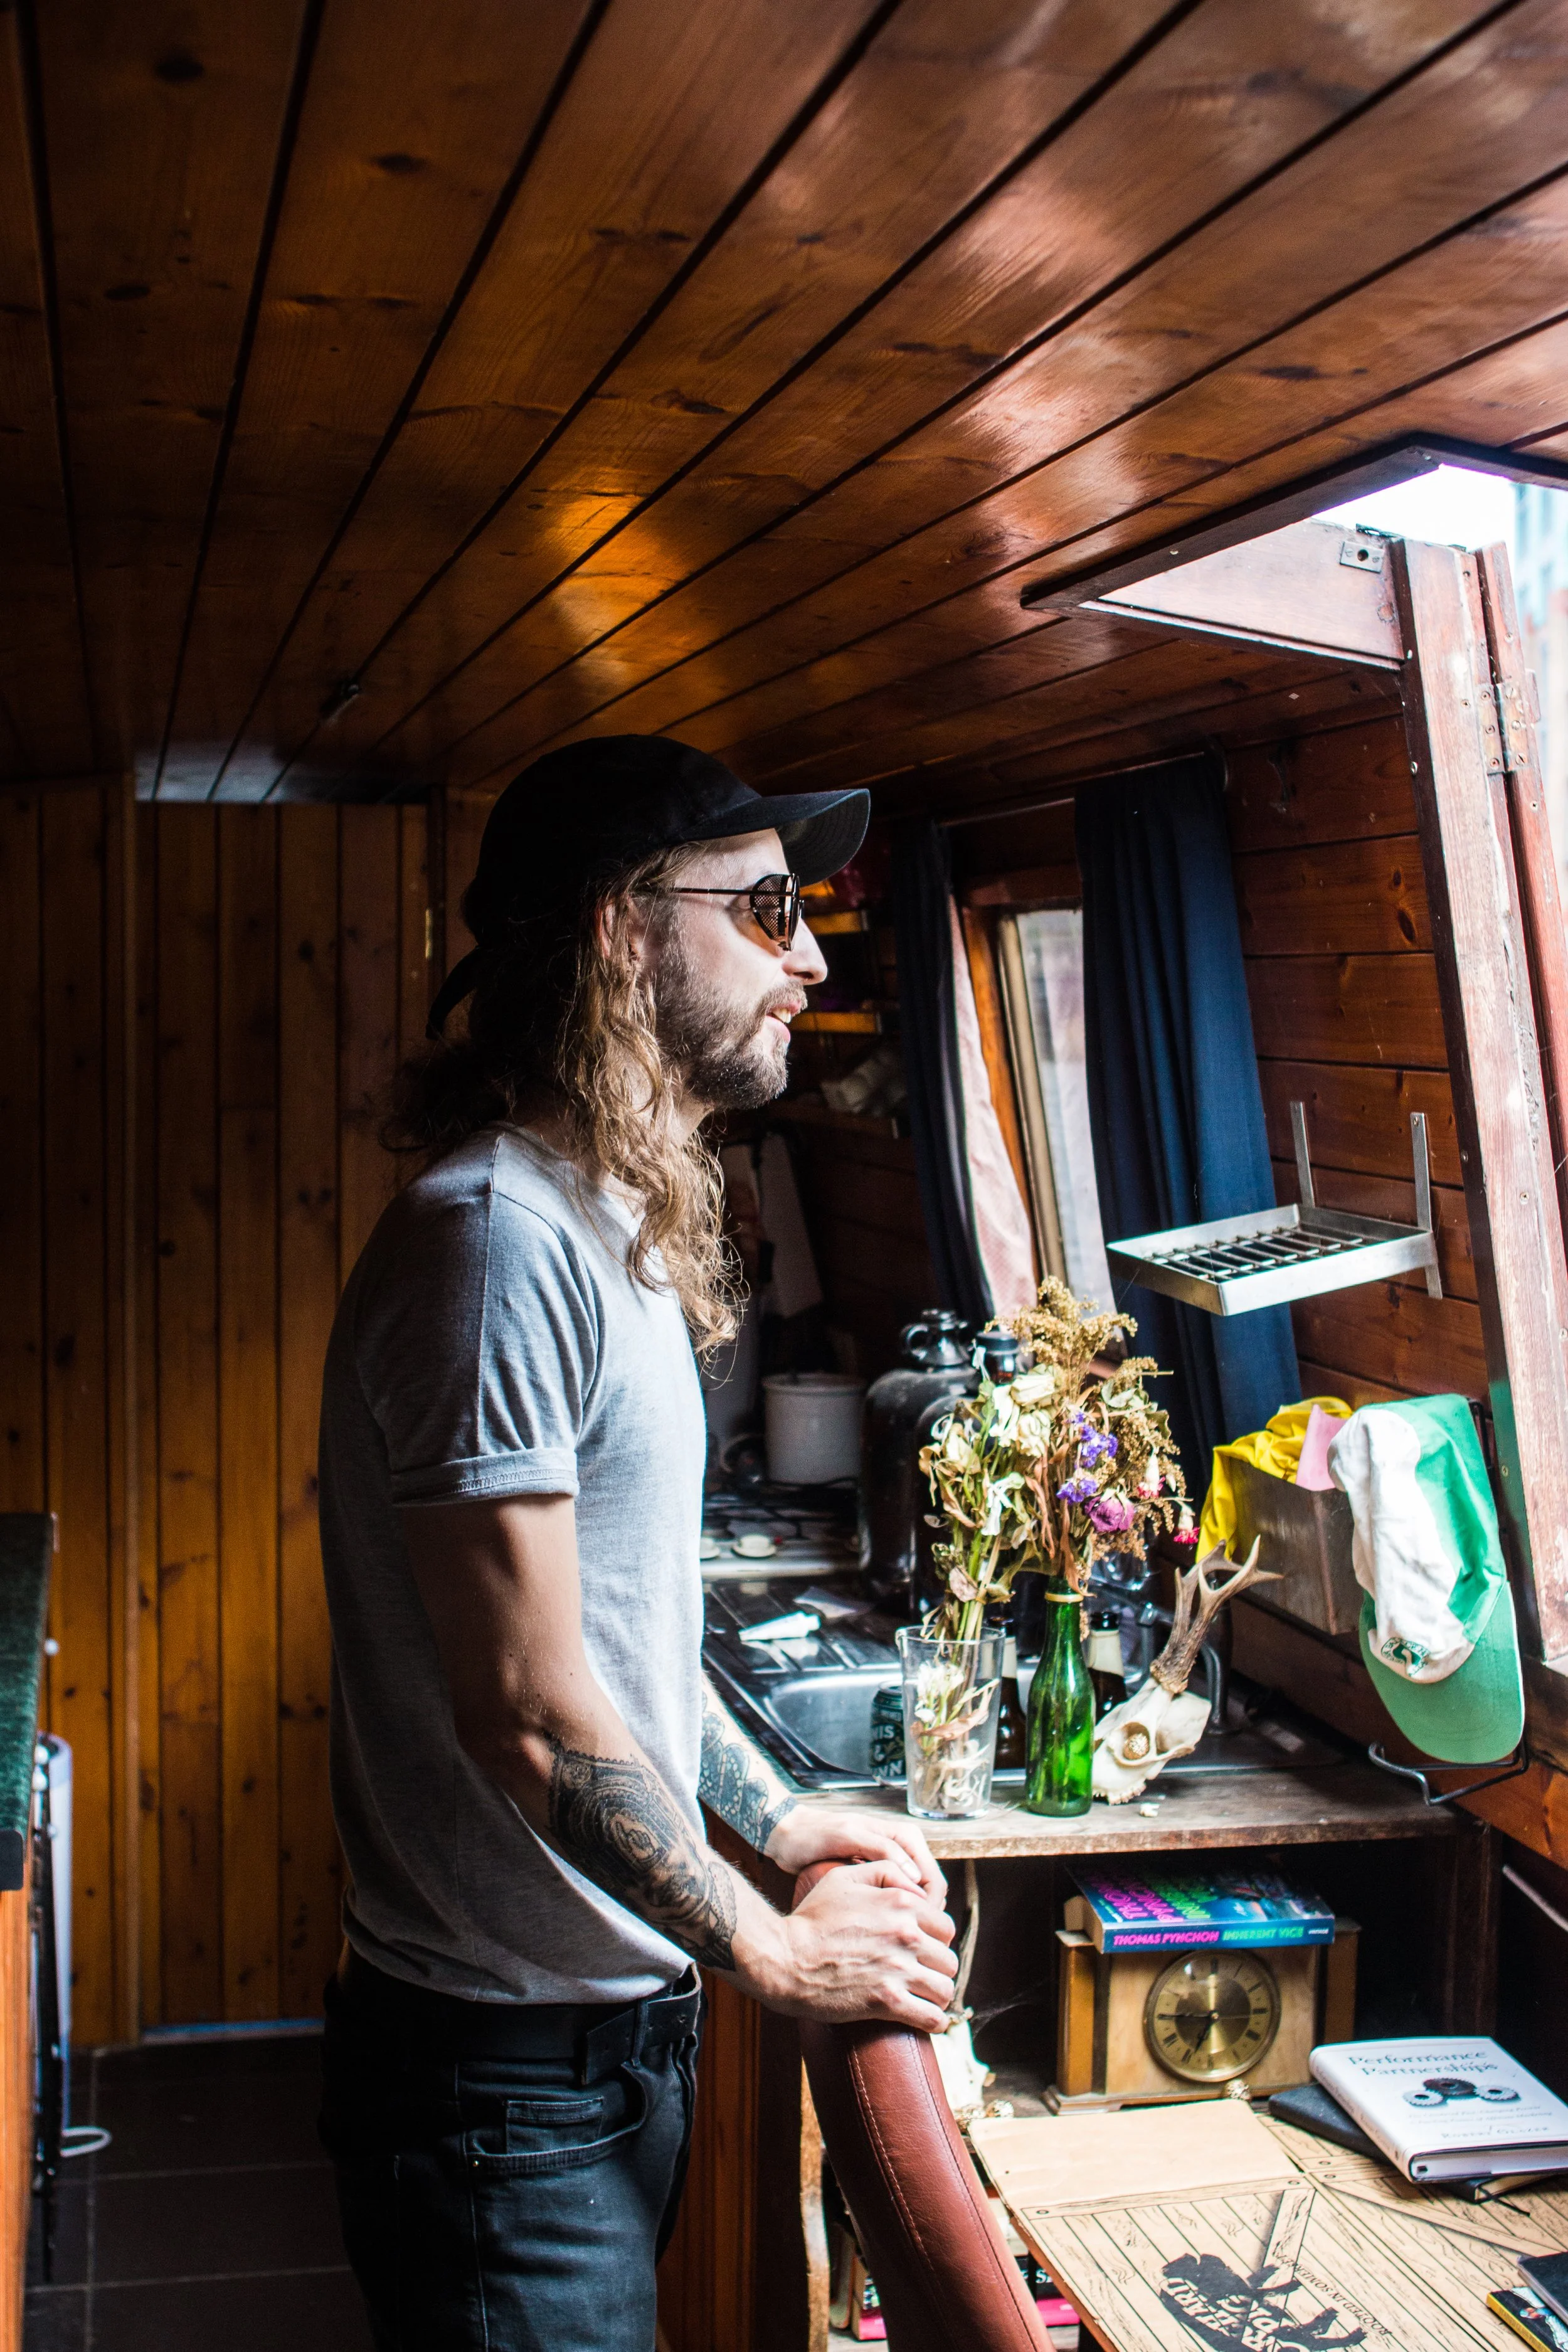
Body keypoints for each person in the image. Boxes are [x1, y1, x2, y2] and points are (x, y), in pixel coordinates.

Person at [316, 734, 957, 2351]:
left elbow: (625, 1652)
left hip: (594, 2057)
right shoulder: (496, 1239)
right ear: (618, 932)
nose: (808, 954)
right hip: (497, 2088)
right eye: (763, 905)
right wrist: (774, 1952)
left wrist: (784, 1812)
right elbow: (529, 1712)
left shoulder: (604, 1224)